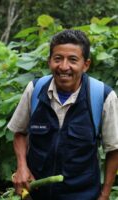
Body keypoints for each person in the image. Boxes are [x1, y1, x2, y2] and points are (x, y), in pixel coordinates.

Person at [8, 29, 118, 200]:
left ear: (86, 64)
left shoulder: (103, 96)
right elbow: (20, 133)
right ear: (49, 61)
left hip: (83, 195)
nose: (64, 66)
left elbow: (114, 150)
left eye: (73, 60)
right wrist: (22, 166)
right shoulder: (35, 90)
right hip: (35, 194)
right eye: (57, 59)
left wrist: (104, 195)